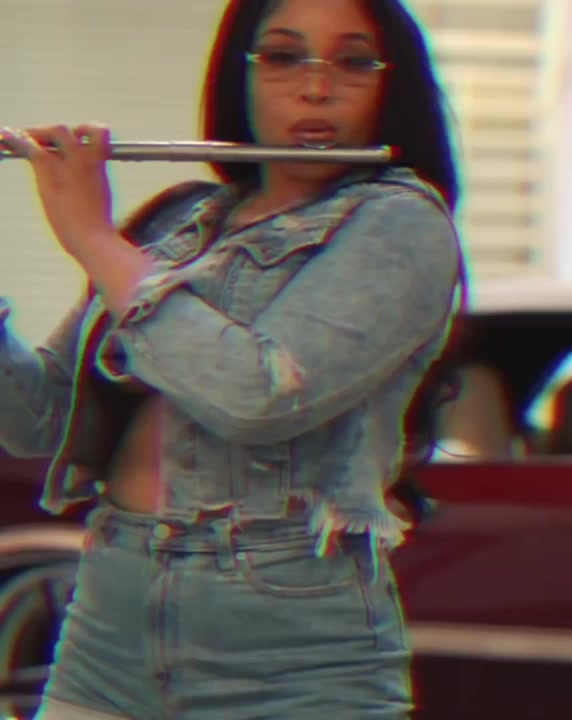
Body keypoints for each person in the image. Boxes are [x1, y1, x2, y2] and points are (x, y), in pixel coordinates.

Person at [0, 0, 464, 717]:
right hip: (107, 631)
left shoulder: (401, 221)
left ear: (389, 84)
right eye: (282, 56)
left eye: (352, 61)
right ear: (240, 75)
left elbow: (258, 395)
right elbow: (37, 421)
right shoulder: (179, 220)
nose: (315, 87)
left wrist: (92, 237)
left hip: (288, 658)